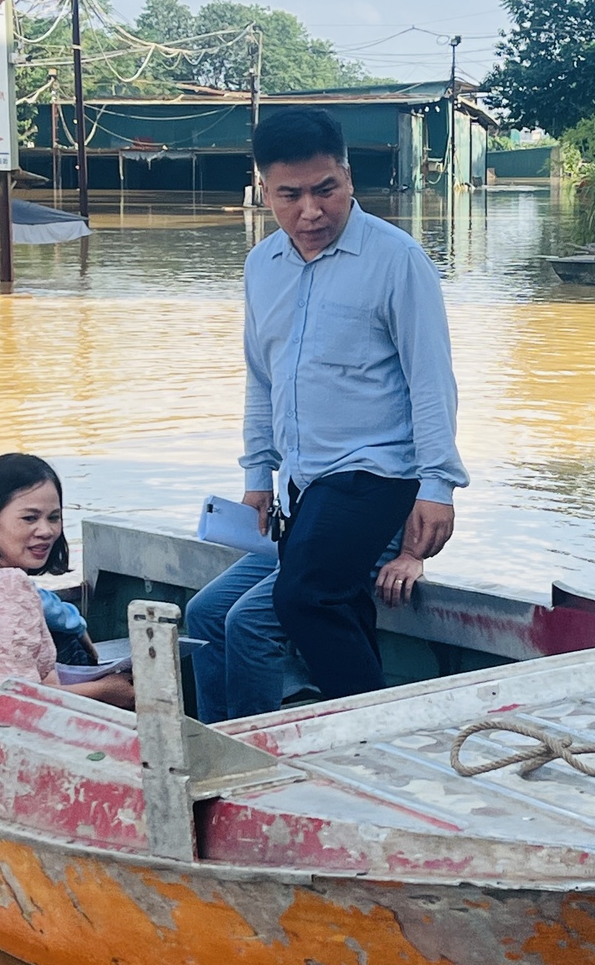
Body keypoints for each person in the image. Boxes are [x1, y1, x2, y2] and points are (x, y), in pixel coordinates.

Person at [236, 107, 465, 700]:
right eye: (290, 195)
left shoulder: (396, 259)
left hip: (378, 471)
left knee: (304, 595)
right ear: (264, 191)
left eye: (325, 190)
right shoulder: (262, 266)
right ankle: (363, 722)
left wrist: (437, 485)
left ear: (349, 177)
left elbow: (431, 380)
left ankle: (359, 730)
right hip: (303, 480)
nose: (310, 212)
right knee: (330, 603)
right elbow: (263, 378)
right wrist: (257, 472)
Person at [0, 454, 135, 709]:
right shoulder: (6, 587)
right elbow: (18, 702)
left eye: (53, 517)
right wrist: (105, 690)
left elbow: (23, 684)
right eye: (29, 518)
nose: (46, 531)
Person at [185, 536, 427, 721]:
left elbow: (430, 475)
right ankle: (217, 738)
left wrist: (412, 553)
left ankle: (252, 750)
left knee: (249, 622)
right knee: (205, 611)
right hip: (299, 528)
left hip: (357, 526)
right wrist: (258, 482)